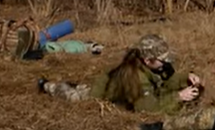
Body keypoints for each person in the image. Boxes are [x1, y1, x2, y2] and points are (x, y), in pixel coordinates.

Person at [38, 34, 202, 114]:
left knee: (81, 88)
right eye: (162, 60)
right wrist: (178, 97)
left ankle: (76, 86)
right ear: (147, 60)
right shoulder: (134, 77)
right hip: (103, 92)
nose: (166, 63)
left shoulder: (156, 65)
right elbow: (146, 107)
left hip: (113, 82)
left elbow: (167, 80)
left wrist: (186, 77)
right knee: (75, 96)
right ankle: (46, 85)